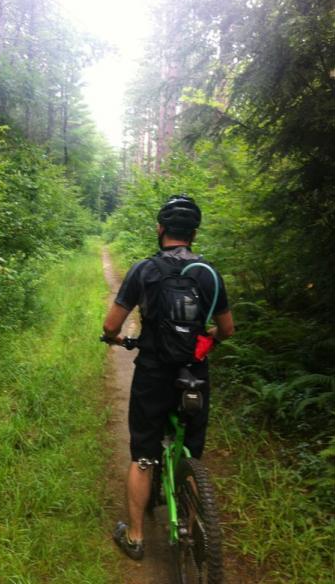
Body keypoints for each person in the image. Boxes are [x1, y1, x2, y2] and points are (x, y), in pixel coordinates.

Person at [102, 194, 234, 561]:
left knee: (143, 452)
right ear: (193, 232)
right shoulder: (209, 274)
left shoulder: (144, 270)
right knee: (190, 445)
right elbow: (227, 329)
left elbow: (111, 324)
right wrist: (207, 342)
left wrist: (118, 338)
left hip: (153, 372)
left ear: (161, 229)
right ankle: (192, 507)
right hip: (194, 371)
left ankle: (136, 537)